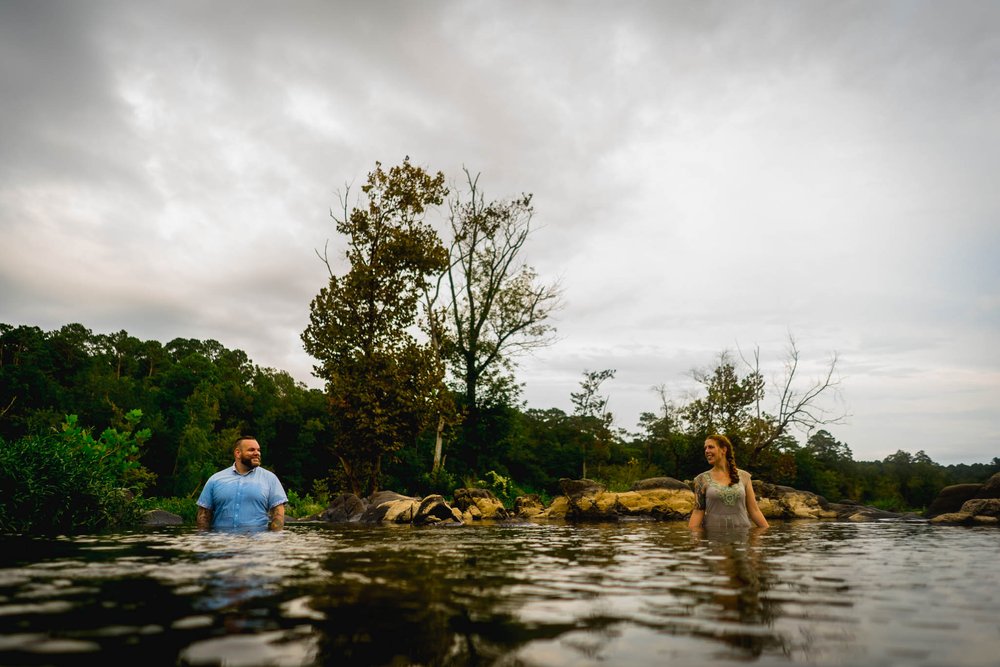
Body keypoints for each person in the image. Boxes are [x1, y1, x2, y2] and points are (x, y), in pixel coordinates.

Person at [196, 436, 288, 531]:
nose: (257, 453)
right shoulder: (215, 479)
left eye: (258, 450)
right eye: (251, 450)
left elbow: (278, 514)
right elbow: (204, 515)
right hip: (222, 542)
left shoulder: (270, 478)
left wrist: (275, 540)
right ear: (238, 453)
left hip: (258, 542)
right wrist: (204, 539)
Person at [688, 434, 769, 530]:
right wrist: (694, 540)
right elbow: (697, 512)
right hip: (713, 538)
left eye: (711, 447)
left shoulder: (744, 477)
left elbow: (754, 510)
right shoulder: (701, 479)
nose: (706, 451)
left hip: (742, 536)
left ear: (723, 450)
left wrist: (766, 533)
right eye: (705, 448)